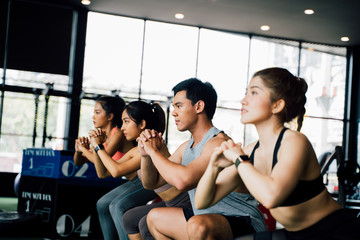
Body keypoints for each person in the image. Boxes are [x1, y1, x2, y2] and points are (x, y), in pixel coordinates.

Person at [194, 67, 360, 240]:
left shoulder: (294, 142)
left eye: (254, 92)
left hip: (335, 232)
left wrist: (239, 160)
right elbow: (202, 201)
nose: (243, 100)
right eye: (246, 93)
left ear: (277, 105)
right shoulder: (250, 151)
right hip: (295, 235)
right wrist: (213, 166)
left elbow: (271, 197)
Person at [137, 78, 267, 240]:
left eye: (179, 106)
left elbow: (183, 181)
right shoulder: (187, 146)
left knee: (198, 225)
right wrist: (145, 155)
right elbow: (152, 183)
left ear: (199, 106)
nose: (174, 112)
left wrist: (153, 150)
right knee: (155, 218)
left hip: (242, 221)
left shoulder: (218, 143)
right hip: (206, 219)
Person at [90, 101, 169, 240]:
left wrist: (98, 147)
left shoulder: (151, 142)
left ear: (142, 124)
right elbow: (103, 173)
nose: (122, 128)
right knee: (102, 204)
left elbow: (116, 171)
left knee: (118, 206)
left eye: (126, 122)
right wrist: (98, 145)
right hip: (143, 183)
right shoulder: (136, 148)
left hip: (156, 186)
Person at [74, 96, 133, 167]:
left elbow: (101, 160)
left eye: (97, 112)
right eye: (94, 112)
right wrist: (78, 150)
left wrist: (83, 149)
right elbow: (78, 162)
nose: (93, 116)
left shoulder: (118, 133)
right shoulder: (100, 137)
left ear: (110, 116)